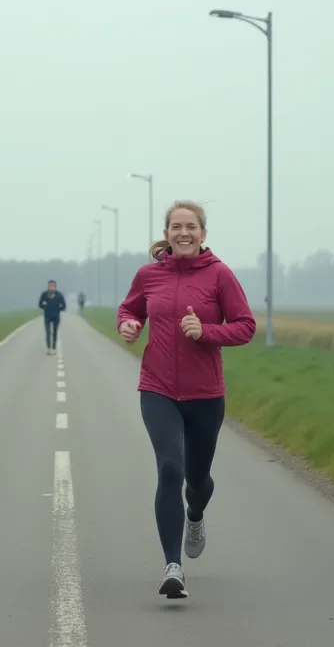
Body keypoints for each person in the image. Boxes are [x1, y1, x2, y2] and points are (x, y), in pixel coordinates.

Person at [116, 200, 257, 599]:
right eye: (176, 226)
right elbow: (131, 307)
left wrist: (207, 331)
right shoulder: (149, 274)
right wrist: (129, 323)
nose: (183, 233)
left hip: (205, 395)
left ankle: (195, 514)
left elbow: (246, 326)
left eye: (191, 226)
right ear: (167, 232)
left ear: (202, 234)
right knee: (170, 469)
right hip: (157, 388)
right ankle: (172, 566)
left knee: (196, 481)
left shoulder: (219, 275)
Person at [38, 279, 67, 355]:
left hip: (56, 316)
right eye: (50, 286)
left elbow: (64, 306)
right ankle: (48, 348)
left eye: (53, 286)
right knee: (47, 333)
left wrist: (59, 307)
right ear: (48, 286)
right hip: (47, 316)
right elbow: (40, 304)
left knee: (54, 333)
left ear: (55, 286)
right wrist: (44, 306)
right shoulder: (44, 295)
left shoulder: (59, 295)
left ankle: (54, 348)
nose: (51, 287)